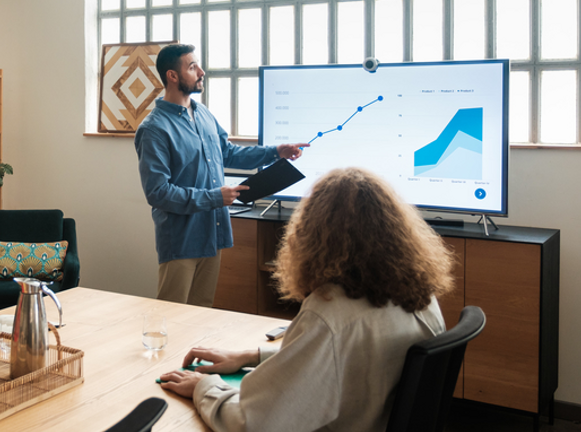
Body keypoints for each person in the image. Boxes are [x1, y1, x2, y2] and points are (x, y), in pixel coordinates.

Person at [159, 167, 454, 432]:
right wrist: (252, 356)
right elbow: (344, 357)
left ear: (314, 233)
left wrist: (204, 386)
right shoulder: (418, 294)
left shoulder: (330, 313)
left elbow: (255, 423)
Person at [134, 43, 307, 306]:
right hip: (181, 239)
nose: (201, 72)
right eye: (192, 67)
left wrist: (275, 152)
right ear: (172, 76)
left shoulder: (202, 113)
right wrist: (215, 197)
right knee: (171, 316)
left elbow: (228, 153)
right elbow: (158, 193)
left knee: (202, 314)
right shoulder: (154, 128)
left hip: (213, 233)